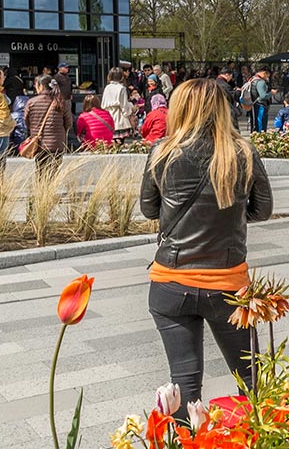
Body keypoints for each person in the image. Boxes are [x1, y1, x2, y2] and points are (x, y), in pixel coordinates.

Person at [141, 78, 273, 407]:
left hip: (171, 280)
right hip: (228, 283)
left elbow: (148, 209)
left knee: (184, 385)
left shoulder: (162, 152)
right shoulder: (242, 152)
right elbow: (263, 210)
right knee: (253, 379)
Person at [22, 75, 71, 171]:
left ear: (40, 86)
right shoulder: (60, 101)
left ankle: (42, 186)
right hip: (57, 143)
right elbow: (68, 123)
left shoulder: (31, 102)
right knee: (54, 171)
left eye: (36, 85)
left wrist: (34, 129)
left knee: (41, 170)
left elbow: (27, 122)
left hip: (39, 143)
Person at [104, 65, 138, 139]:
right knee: (119, 141)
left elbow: (103, 104)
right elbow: (124, 105)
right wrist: (130, 109)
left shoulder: (107, 87)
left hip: (109, 116)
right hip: (119, 117)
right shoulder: (121, 88)